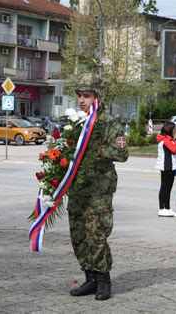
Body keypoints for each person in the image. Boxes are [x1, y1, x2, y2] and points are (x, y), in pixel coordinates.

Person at [67, 73, 128, 301]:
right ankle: (89, 278)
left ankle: (104, 279)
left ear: (97, 97)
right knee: (78, 235)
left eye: (87, 95)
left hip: (99, 190)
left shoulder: (108, 123)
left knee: (96, 235)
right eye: (80, 96)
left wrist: (95, 151)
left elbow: (122, 153)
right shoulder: (75, 122)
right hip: (78, 189)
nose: (82, 100)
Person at [155, 121, 176, 217]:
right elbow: (174, 150)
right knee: (165, 188)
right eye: (174, 129)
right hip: (167, 167)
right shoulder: (165, 140)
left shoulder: (167, 139)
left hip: (169, 167)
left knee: (167, 188)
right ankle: (162, 208)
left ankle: (167, 208)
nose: (175, 131)